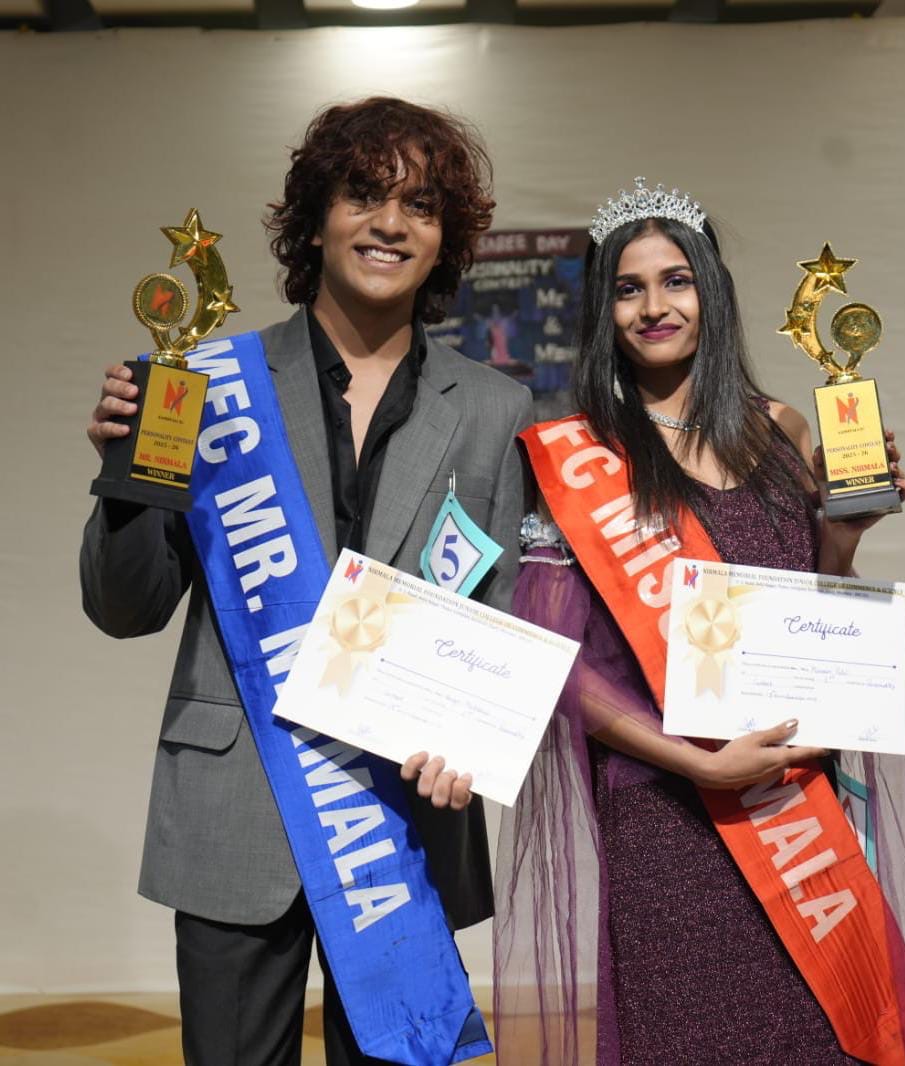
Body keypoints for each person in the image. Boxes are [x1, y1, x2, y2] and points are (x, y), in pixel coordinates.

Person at [81, 97, 532, 1066]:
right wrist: (127, 477)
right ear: (314, 219)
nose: (389, 223)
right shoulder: (207, 383)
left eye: (419, 205)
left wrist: (470, 738)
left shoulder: (495, 409)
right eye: (362, 195)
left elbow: (497, 616)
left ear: (444, 238)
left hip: (401, 824)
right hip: (237, 805)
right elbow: (126, 609)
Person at [493, 179, 905, 1065]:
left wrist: (845, 532)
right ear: (602, 311)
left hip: (793, 797)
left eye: (676, 281)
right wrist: (699, 764)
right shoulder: (579, 453)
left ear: (710, 289)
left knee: (812, 1037)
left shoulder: (779, 427)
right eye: (627, 289)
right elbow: (560, 663)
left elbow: (816, 604)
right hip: (664, 811)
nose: (653, 307)